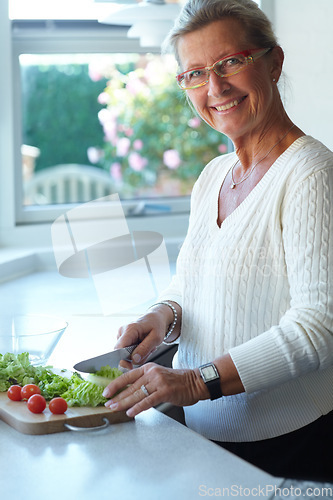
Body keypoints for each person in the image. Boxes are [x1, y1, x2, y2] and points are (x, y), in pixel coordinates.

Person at [102, 0, 333, 482]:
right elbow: (190, 285)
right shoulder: (212, 176)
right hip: (206, 437)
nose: (216, 87)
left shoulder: (311, 173)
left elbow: (318, 329)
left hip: (291, 445)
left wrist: (195, 381)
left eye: (231, 62)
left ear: (273, 61)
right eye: (195, 73)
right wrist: (161, 316)